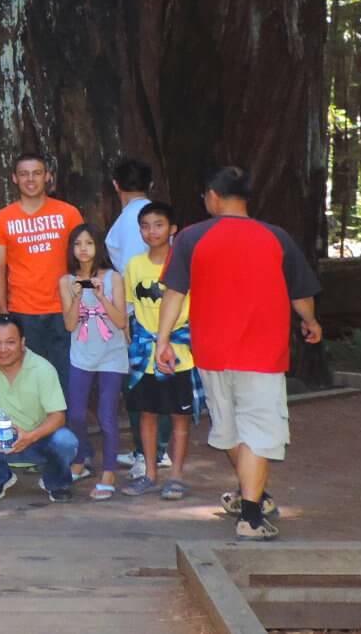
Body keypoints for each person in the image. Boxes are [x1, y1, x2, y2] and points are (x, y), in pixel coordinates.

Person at [157, 166, 323, 541]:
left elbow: (174, 292)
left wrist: (162, 341)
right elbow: (301, 294)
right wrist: (310, 322)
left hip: (212, 351)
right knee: (260, 433)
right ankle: (251, 514)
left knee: (229, 429)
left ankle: (254, 500)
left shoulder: (190, 238)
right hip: (263, 354)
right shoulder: (276, 237)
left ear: (213, 197)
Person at [121, 201, 202, 501]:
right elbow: (132, 310)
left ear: (173, 229)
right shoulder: (134, 266)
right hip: (145, 353)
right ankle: (150, 473)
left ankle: (177, 475)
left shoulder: (184, 264)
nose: (152, 231)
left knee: (179, 417)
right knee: (147, 413)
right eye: (145, 225)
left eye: (159, 225)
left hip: (180, 352)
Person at [0, 315, 84, 503]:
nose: (3, 349)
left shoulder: (43, 368)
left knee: (66, 440)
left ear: (22, 342)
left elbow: (58, 416)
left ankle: (56, 483)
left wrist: (30, 436)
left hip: (37, 440)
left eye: (10, 342)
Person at [0, 152, 85, 394]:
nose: (30, 179)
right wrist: (2, 310)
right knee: (29, 379)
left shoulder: (68, 213)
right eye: (24, 174)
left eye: (37, 173)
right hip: (23, 310)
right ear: (14, 178)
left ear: (48, 177)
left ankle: (63, 431)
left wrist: (83, 298)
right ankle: (33, 432)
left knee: (66, 376)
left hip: (64, 308)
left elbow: (84, 257)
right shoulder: (2, 219)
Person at [59, 224, 130, 499]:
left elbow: (121, 320)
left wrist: (101, 296)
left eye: (89, 243)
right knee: (75, 413)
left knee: (107, 416)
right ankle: (80, 460)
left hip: (111, 355)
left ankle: (109, 470)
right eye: (77, 244)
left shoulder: (113, 278)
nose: (83, 249)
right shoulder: (66, 281)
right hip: (81, 355)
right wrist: (77, 296)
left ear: (98, 247)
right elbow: (68, 325)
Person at [105, 159, 155, 275]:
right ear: (151, 185)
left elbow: (132, 271)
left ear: (116, 185)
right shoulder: (161, 215)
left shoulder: (130, 220)